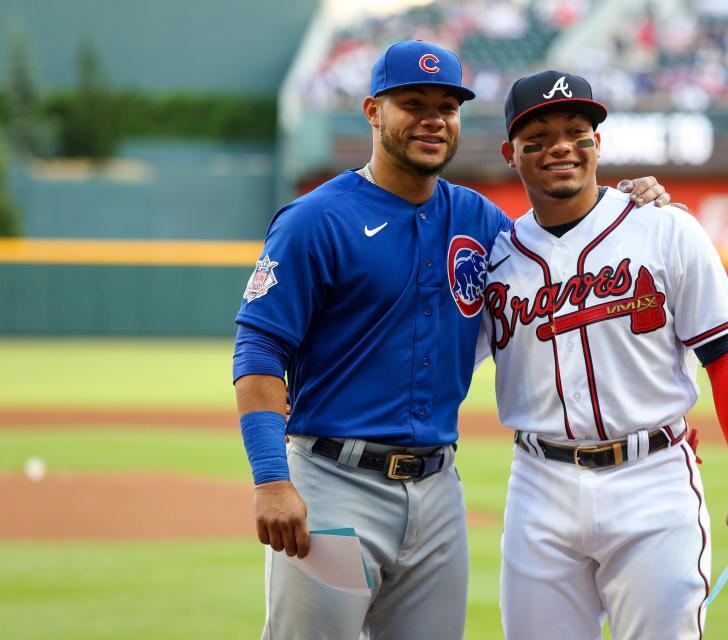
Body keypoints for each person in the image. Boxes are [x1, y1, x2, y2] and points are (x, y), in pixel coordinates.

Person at [232, 41, 675, 640]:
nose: (432, 119)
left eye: (448, 106)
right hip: (336, 488)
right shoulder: (315, 219)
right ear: (373, 111)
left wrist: (626, 206)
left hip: (439, 494)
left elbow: (567, 258)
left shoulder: (480, 221)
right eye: (412, 103)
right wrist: (270, 479)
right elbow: (259, 354)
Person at [480, 70, 728, 640]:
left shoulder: (663, 228)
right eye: (537, 137)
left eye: (577, 131)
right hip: (539, 486)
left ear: (598, 144)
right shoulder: (497, 255)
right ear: (511, 154)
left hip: (653, 481)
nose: (560, 146)